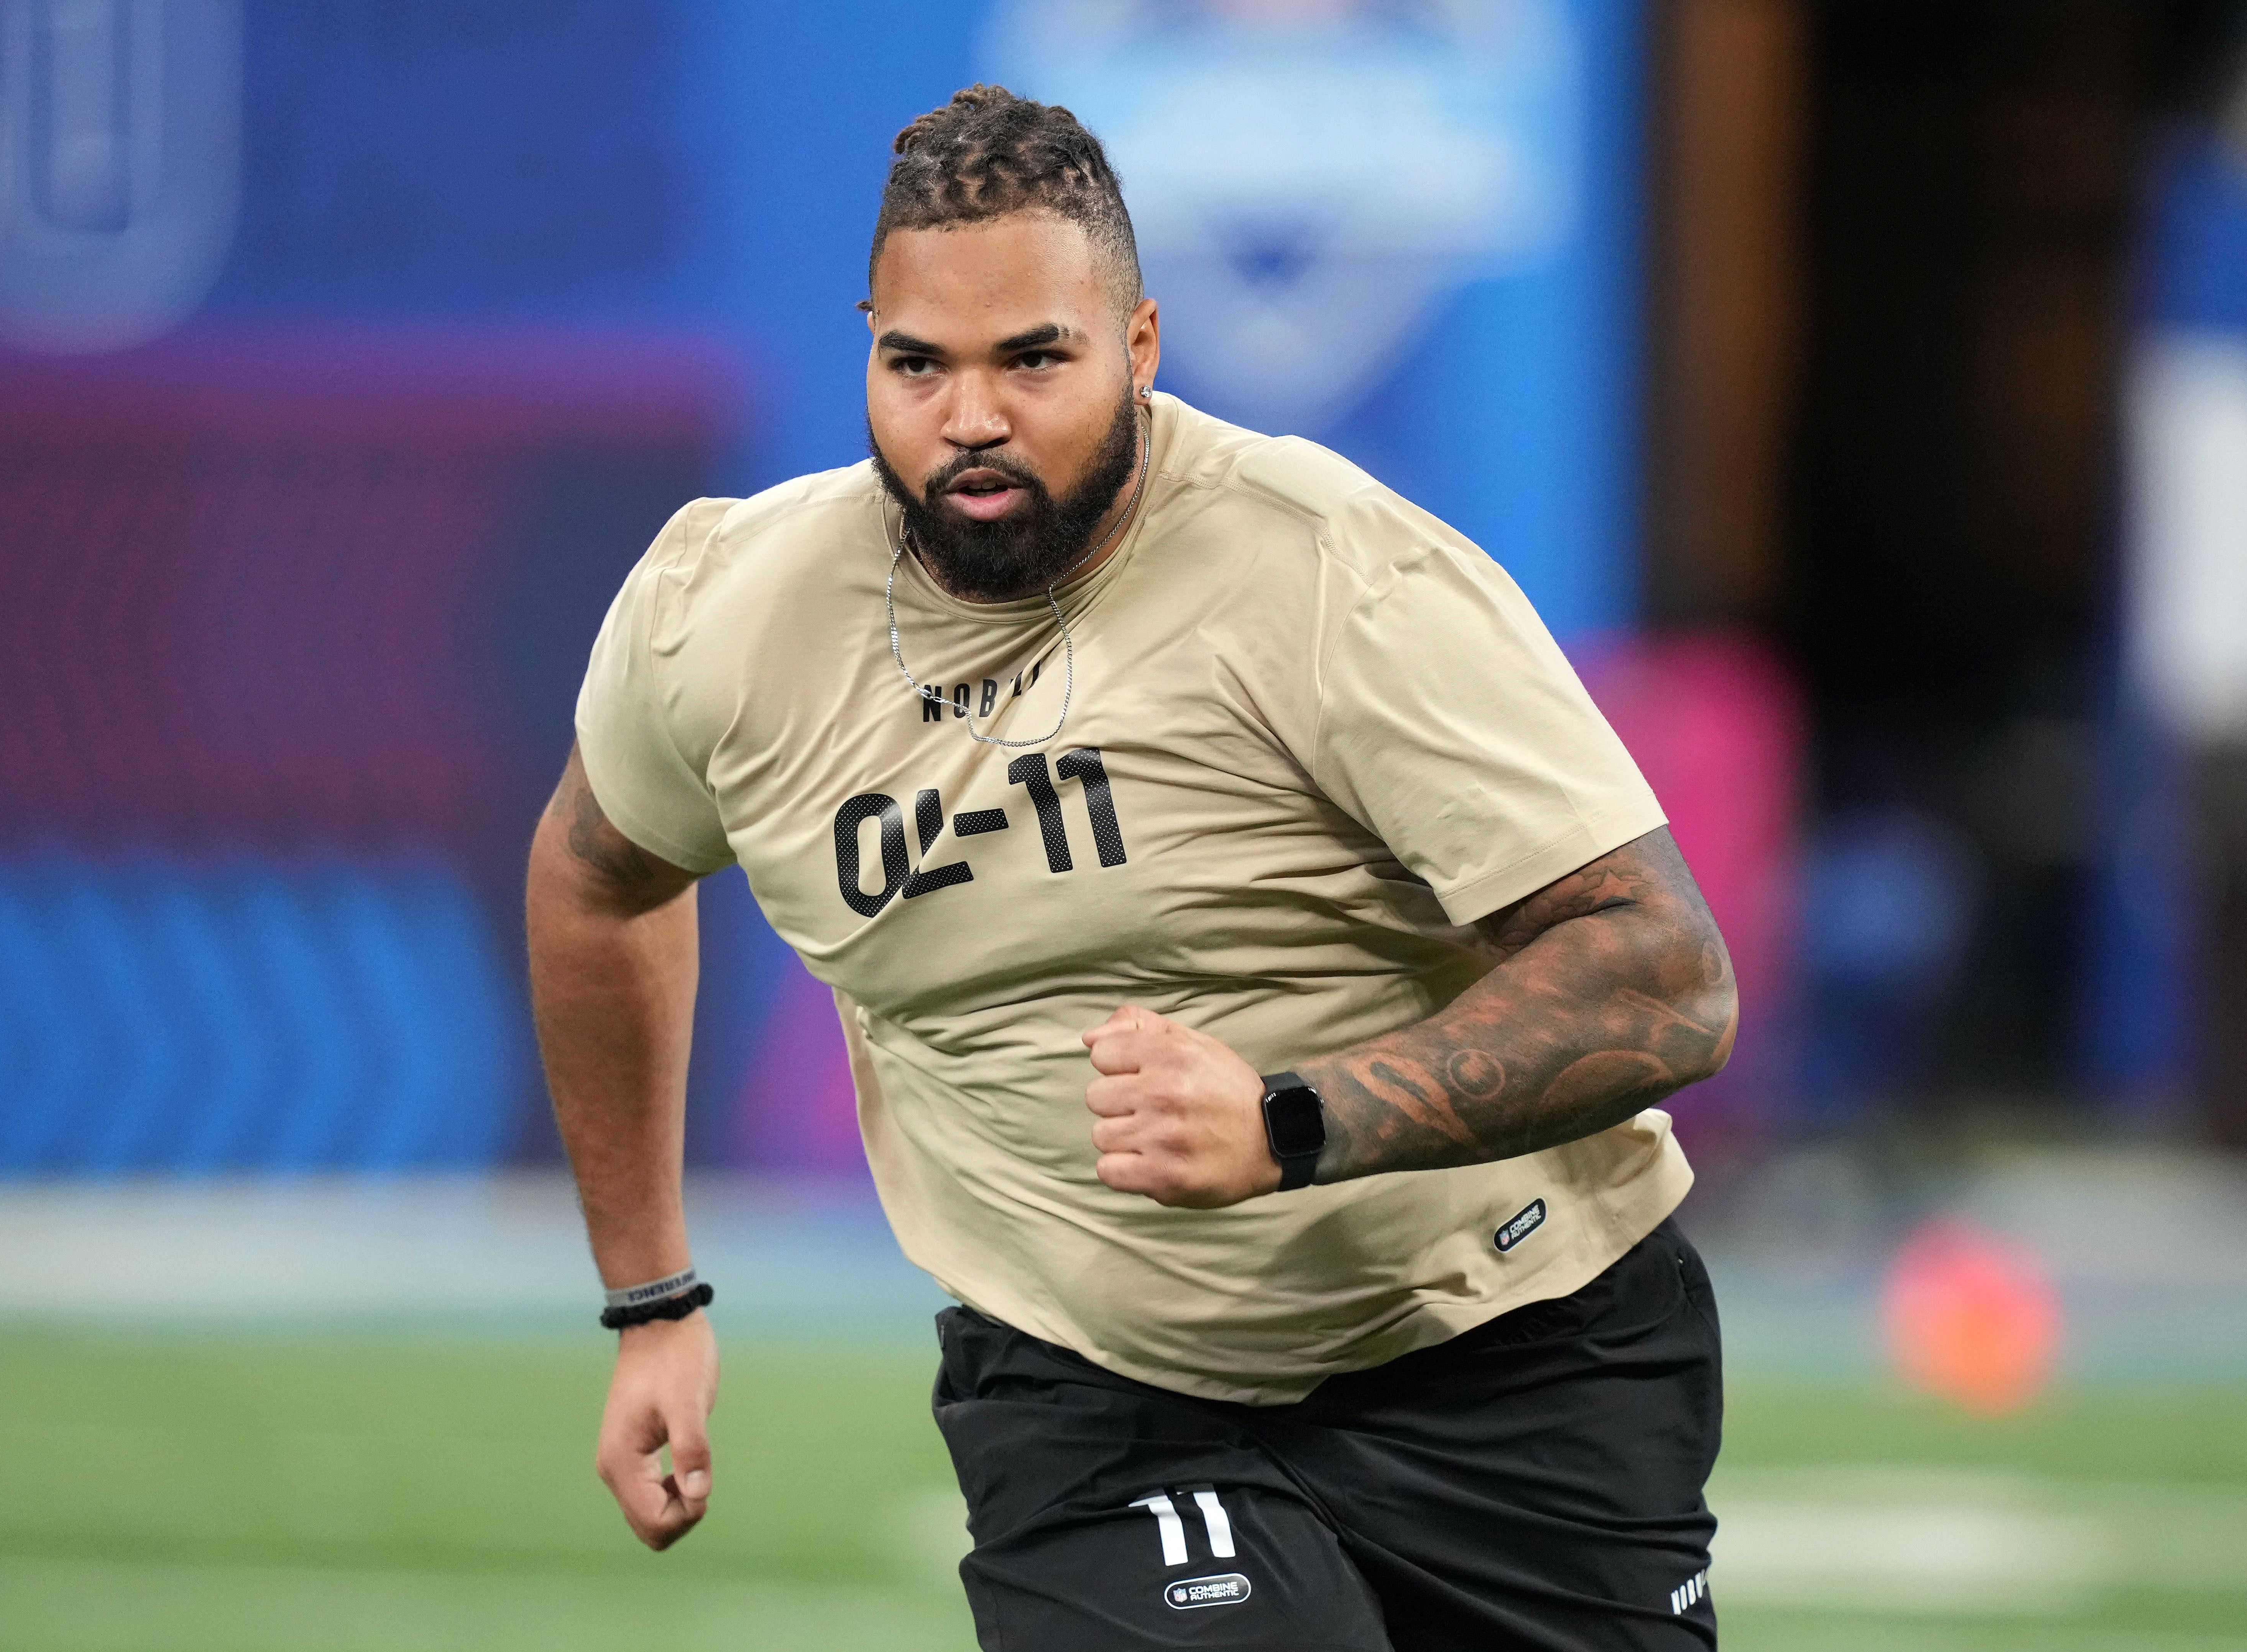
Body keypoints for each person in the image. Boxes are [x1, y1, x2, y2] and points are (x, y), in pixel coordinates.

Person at [527, 83, 1736, 1652]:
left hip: (1513, 1344)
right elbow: (595, 882)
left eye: (1034, 357)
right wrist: (651, 1300)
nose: (971, 416)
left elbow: (1662, 973)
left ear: (1142, 346)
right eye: (918, 364)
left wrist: (1293, 1120)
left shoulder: (1334, 575)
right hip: (1094, 1385)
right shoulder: (727, 616)